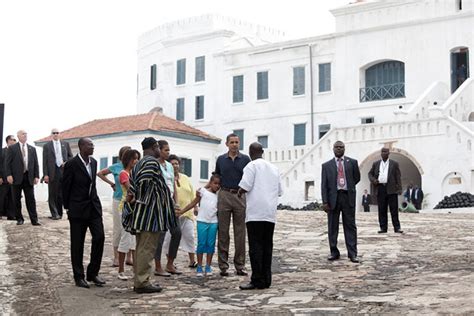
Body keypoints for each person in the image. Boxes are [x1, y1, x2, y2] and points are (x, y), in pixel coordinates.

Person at [122, 137, 177, 294]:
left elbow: (134, 186)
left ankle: (140, 280)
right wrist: (146, 200)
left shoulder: (139, 163)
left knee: (141, 248)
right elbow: (144, 183)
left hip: (142, 214)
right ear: (155, 147)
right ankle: (142, 282)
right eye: (159, 148)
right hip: (150, 215)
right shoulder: (151, 162)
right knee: (147, 248)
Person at [238, 142, 282, 290]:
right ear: (262, 152)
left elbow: (245, 185)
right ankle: (266, 279)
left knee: (255, 247)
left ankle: (256, 279)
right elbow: (280, 191)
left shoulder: (251, 166)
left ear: (250, 152)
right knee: (267, 246)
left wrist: (239, 192)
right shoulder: (274, 168)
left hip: (255, 213)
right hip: (269, 213)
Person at [62, 138, 105, 288]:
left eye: (93, 144)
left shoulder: (93, 162)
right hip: (77, 209)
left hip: (93, 207)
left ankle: (93, 273)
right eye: (89, 145)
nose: (92, 147)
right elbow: (65, 186)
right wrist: (67, 207)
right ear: (81, 147)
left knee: (99, 237)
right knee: (77, 244)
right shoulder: (72, 164)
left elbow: (92, 184)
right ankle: (78, 276)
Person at [214, 133, 251, 276]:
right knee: (223, 232)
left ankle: (240, 265)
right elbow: (216, 177)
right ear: (227, 144)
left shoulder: (246, 159)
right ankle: (223, 266)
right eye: (232, 142)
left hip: (240, 195)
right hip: (224, 194)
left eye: (237, 142)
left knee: (240, 233)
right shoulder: (221, 160)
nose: (235, 144)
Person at [321, 141, 360, 263]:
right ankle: (334, 252)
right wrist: (325, 202)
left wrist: (349, 187)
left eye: (341, 147)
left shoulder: (352, 163)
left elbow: (356, 178)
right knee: (332, 227)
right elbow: (324, 185)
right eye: (336, 147)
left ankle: (352, 253)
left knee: (350, 226)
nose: (339, 149)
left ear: (344, 149)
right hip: (333, 198)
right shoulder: (326, 166)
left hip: (347, 197)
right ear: (333, 149)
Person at [179, 174, 221, 277]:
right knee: (201, 244)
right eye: (215, 183)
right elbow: (193, 203)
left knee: (210, 244)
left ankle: (208, 266)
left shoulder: (219, 196)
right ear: (210, 183)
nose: (217, 186)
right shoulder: (202, 192)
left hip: (213, 222)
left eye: (219, 184)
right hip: (202, 221)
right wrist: (182, 211)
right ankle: (199, 267)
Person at [97, 146, 131, 267]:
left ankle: (129, 256)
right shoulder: (116, 167)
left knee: (130, 229)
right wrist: (111, 183)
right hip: (118, 199)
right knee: (118, 228)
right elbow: (100, 173)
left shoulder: (133, 168)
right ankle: (116, 256)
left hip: (130, 201)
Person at [154, 140, 182, 276]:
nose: (168, 152)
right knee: (160, 235)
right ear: (158, 150)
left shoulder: (169, 166)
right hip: (160, 203)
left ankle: (170, 263)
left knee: (177, 232)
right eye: (166, 150)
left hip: (170, 202)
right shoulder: (154, 165)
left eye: (169, 150)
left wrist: (176, 203)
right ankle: (158, 266)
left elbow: (173, 185)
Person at [5, 130, 41, 226]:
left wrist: (36, 176)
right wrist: (8, 175)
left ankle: (34, 220)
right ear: (18, 136)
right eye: (23, 134)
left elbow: (35, 163)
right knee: (16, 199)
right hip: (16, 177)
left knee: (31, 199)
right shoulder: (12, 148)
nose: (25, 135)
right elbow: (7, 163)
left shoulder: (32, 149)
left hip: (28, 177)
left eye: (26, 134)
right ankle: (19, 219)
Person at [168, 154, 197, 268]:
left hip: (187, 213)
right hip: (173, 214)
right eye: (172, 164)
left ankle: (192, 260)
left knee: (190, 236)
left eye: (177, 163)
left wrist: (195, 206)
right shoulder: (168, 178)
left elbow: (192, 193)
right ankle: (170, 261)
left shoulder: (185, 177)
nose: (175, 166)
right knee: (169, 238)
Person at [116, 149, 140, 280]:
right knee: (125, 238)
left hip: (134, 208)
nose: (136, 161)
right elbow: (131, 188)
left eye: (137, 158)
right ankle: (121, 270)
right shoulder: (123, 173)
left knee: (134, 240)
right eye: (134, 158)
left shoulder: (135, 173)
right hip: (126, 208)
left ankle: (136, 269)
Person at [368, 147, 403, 234]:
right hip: (380, 188)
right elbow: (370, 174)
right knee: (382, 209)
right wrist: (373, 180)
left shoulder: (394, 164)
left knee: (394, 210)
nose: (384, 153)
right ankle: (383, 228)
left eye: (386, 152)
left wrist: (399, 188)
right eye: (382, 152)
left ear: (388, 153)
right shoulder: (376, 164)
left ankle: (397, 227)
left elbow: (398, 177)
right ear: (381, 153)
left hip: (391, 189)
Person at [42, 128, 73, 220]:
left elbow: (70, 157)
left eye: (57, 133)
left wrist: (66, 162)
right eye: (53, 133)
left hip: (63, 170)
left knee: (61, 193)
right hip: (52, 171)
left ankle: (59, 213)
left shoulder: (65, 144)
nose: (55, 134)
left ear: (60, 134)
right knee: (52, 194)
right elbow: (45, 161)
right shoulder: (47, 146)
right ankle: (54, 213)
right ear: (51, 134)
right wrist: (45, 174)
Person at [0, 135, 17, 220]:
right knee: (1, 196)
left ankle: (11, 215)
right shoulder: (2, 151)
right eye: (12, 139)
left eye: (14, 140)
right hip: (3, 179)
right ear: (7, 141)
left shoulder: (16, 152)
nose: (13, 141)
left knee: (12, 197)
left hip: (13, 179)